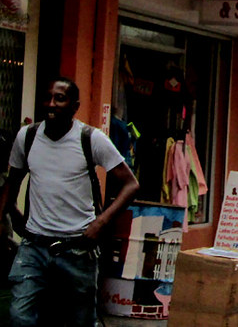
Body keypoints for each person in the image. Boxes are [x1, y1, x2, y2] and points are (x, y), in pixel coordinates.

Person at [3, 78, 140, 326]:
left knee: (79, 320)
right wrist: (10, 212)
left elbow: (131, 184)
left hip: (77, 249)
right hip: (34, 246)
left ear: (75, 106)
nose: (51, 104)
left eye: (60, 98)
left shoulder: (91, 139)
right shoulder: (28, 136)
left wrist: (101, 222)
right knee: (19, 317)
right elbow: (12, 181)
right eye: (47, 98)